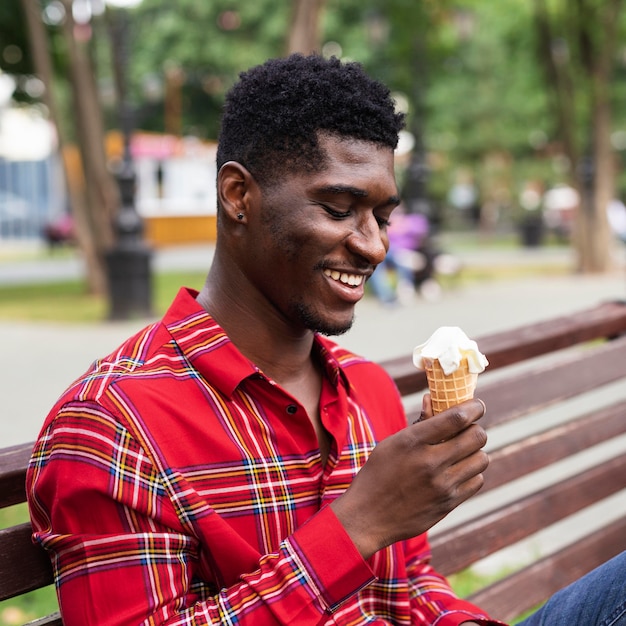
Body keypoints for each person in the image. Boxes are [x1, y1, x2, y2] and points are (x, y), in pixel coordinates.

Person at [26, 54, 625, 626]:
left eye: (382, 217)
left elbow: (409, 585)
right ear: (238, 196)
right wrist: (357, 525)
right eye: (340, 208)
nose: (373, 246)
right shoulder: (112, 425)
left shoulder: (365, 387)